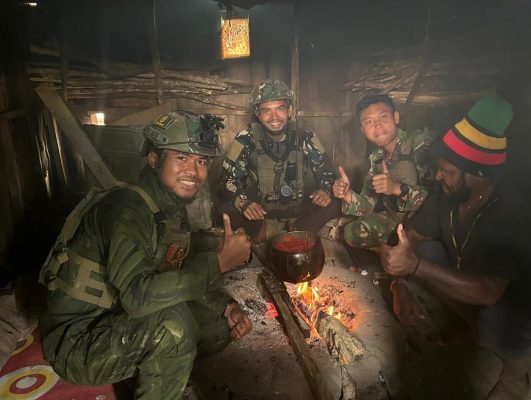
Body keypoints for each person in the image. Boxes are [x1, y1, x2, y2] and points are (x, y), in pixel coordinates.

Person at [378, 95, 531, 399]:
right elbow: (410, 238)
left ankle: (514, 379)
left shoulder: (511, 211)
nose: (438, 176)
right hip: (482, 281)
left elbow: (490, 290)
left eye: (447, 171)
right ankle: (473, 327)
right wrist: (400, 286)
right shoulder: (448, 194)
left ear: (476, 174)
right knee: (426, 251)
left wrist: (415, 268)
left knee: (498, 320)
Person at [39, 111, 253, 400]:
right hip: (79, 341)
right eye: (182, 157)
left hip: (116, 319)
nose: (194, 171)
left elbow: (173, 276)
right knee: (173, 329)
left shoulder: (170, 210)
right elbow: (137, 297)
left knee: (219, 328)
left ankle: (155, 367)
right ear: (154, 159)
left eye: (201, 161)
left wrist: (225, 306)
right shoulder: (126, 209)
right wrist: (218, 263)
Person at [219, 78, 340, 238]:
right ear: (258, 114)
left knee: (335, 203)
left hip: (298, 206)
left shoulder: (305, 137)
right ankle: (262, 232)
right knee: (224, 209)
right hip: (259, 208)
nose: (274, 117)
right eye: (266, 111)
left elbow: (328, 175)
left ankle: (297, 231)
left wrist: (325, 191)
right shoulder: (245, 139)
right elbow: (227, 181)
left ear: (289, 110)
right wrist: (244, 203)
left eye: (280, 109)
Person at [332, 94, 434, 248]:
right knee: (351, 232)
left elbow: (437, 199)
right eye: (369, 122)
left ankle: (403, 251)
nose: (377, 125)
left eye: (383, 117)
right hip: (397, 219)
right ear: (363, 130)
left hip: (427, 221)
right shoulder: (377, 158)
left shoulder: (419, 143)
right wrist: (347, 194)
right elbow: (368, 205)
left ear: (396, 117)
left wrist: (396, 188)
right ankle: (394, 251)